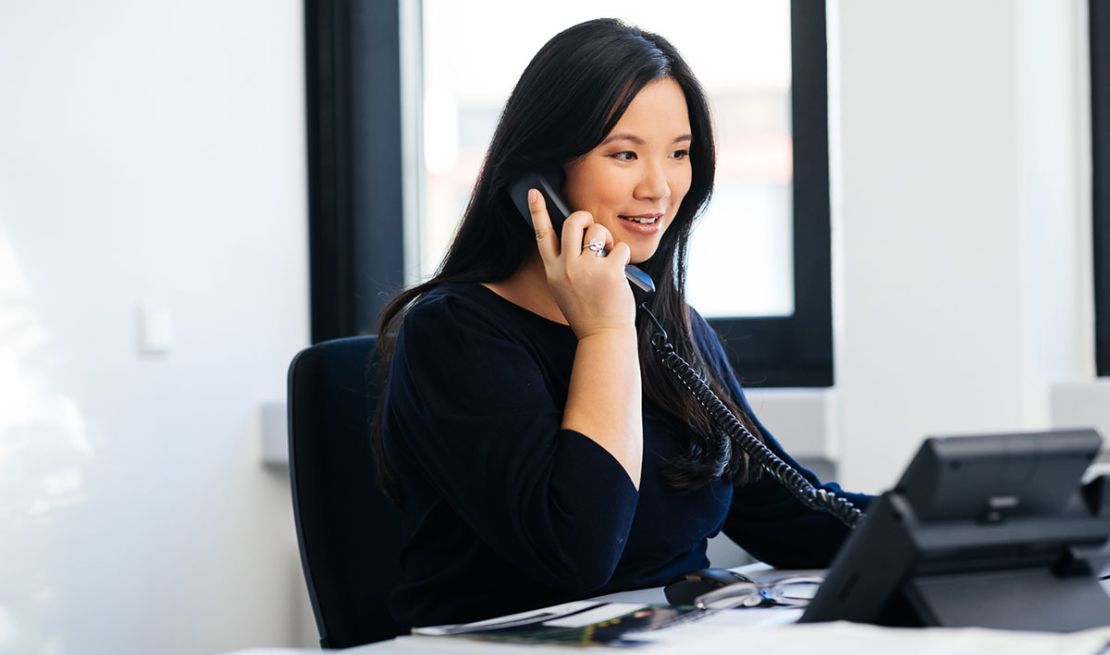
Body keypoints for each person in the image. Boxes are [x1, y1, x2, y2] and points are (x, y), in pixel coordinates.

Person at [372, 18, 870, 629]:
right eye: (625, 153)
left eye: (680, 153)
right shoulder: (454, 335)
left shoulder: (666, 324)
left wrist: (956, 527)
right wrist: (604, 334)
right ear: (543, 176)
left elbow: (785, 515)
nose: (659, 187)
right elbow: (576, 553)